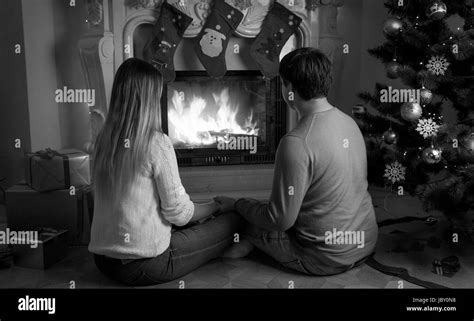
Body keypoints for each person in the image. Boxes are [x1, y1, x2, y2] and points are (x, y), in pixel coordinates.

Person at [215, 48, 378, 275]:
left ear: (289, 88)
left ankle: (251, 243)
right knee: (271, 207)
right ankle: (252, 244)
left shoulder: (296, 142)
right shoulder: (348, 122)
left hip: (323, 259)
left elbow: (280, 220)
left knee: (241, 217)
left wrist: (237, 203)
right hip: (365, 243)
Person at [88, 58, 243, 286]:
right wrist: (216, 206)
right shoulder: (156, 143)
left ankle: (212, 247)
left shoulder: (103, 140)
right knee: (234, 220)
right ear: (150, 99)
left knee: (194, 221)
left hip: (103, 262)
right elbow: (178, 214)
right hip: (146, 265)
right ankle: (223, 246)